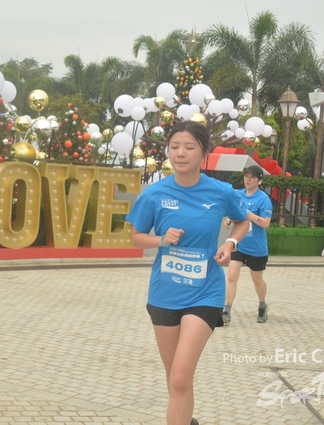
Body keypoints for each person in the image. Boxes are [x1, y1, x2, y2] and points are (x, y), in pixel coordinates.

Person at [126, 121, 249, 425]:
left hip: (205, 292)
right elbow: (136, 237)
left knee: (181, 377)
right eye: (175, 147)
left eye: (189, 147)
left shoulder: (221, 191)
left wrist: (230, 244)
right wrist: (160, 239)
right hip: (164, 294)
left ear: (204, 153)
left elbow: (242, 221)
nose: (180, 153)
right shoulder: (154, 194)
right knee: (174, 380)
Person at [222, 165, 272, 324]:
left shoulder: (263, 199)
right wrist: (229, 219)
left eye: (252, 177)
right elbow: (234, 213)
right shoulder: (238, 195)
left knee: (257, 280)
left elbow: (266, 223)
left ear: (259, 181)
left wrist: (249, 214)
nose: (248, 180)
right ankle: (226, 311)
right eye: (246, 176)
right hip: (238, 243)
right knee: (232, 277)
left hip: (256, 247)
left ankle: (262, 305)